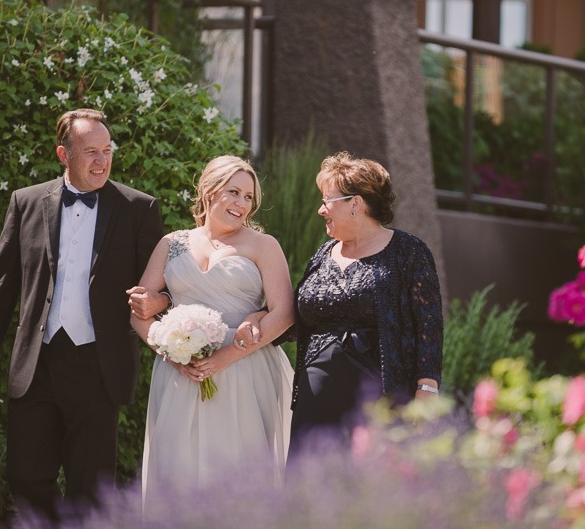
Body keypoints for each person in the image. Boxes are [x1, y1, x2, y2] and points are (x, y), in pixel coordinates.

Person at [0, 108, 164, 523]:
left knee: (91, 488)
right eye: (90, 151)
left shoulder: (138, 208)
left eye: (107, 150)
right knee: (24, 475)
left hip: (99, 365)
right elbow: (1, 285)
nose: (102, 160)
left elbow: (161, 287)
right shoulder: (27, 201)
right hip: (36, 362)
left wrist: (159, 306)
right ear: (64, 153)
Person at [129, 155, 294, 505]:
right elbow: (139, 312)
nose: (242, 204)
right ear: (207, 190)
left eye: (248, 197)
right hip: (179, 375)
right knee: (177, 472)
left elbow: (285, 313)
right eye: (233, 192)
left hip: (244, 370)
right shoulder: (172, 244)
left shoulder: (264, 246)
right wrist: (169, 351)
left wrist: (227, 355)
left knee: (238, 476)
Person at [284, 151, 444, 458]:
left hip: (378, 396)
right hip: (316, 398)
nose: (321, 210)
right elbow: (295, 315)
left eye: (327, 200)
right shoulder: (322, 255)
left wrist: (427, 389)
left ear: (355, 203)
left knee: (371, 489)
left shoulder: (408, 251)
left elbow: (429, 325)